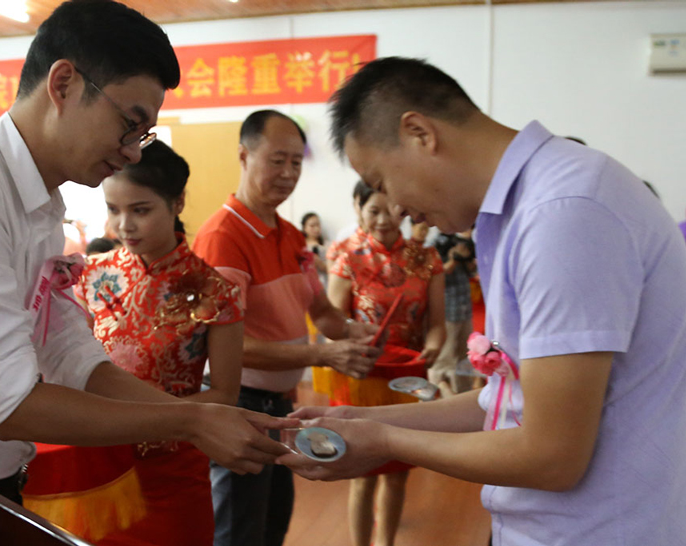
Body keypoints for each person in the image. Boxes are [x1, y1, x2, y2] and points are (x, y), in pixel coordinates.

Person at [0, 0, 291, 508]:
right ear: (63, 84)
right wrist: (191, 420)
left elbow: (69, 355)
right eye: (129, 123)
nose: (133, 151)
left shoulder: (38, 205)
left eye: (143, 135)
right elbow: (10, 405)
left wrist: (205, 417)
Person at [280, 57, 686, 546]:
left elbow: (553, 455)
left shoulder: (564, 213)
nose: (397, 210)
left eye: (383, 183)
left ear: (419, 133)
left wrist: (385, 440)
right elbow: (509, 399)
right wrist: (367, 419)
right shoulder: (524, 209)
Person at [192, 109, 381, 546]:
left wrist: (356, 332)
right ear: (244, 156)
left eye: (296, 162)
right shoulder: (223, 237)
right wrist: (323, 354)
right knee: (239, 530)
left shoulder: (291, 235)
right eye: (277, 160)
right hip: (240, 405)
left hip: (280, 407)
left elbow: (324, 313)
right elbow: (229, 347)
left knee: (272, 523)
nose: (289, 173)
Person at [76, 141, 242, 545]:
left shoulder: (214, 290)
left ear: (177, 203)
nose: (124, 226)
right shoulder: (88, 275)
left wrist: (153, 421)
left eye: (140, 210)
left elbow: (224, 394)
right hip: (97, 463)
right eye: (113, 210)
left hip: (173, 469)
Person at [327, 183, 445, 546]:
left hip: (408, 376)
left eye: (390, 210)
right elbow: (332, 325)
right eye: (373, 211)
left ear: (403, 209)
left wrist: (433, 346)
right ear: (359, 210)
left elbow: (437, 324)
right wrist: (348, 345)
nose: (382, 220)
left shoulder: (426, 258)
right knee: (362, 473)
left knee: (397, 473)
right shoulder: (347, 258)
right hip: (362, 376)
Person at [428, 227, 478, 393]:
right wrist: (454, 258)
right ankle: (436, 394)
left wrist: (468, 259)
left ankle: (463, 394)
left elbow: (471, 272)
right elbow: (437, 274)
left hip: (464, 307)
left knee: (465, 356)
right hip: (447, 310)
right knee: (444, 358)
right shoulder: (437, 243)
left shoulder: (462, 242)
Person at [301, 211, 328, 288]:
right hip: (306, 285)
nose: (316, 229)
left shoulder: (327, 245)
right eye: (312, 226)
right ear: (304, 227)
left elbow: (332, 269)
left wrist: (320, 263)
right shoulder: (300, 246)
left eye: (318, 225)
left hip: (323, 283)